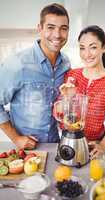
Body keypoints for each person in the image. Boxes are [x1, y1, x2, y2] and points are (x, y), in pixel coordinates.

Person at [0, 3, 70, 149]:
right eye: (51, 27)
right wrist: (16, 138)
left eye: (63, 29)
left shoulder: (66, 64)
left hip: (56, 145)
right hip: (25, 149)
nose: (57, 35)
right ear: (40, 28)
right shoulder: (17, 63)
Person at [58, 25, 105, 159]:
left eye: (93, 47)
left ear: (103, 48)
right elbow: (58, 113)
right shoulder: (72, 75)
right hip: (68, 141)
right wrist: (67, 98)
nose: (86, 54)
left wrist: (103, 145)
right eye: (82, 48)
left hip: (95, 146)